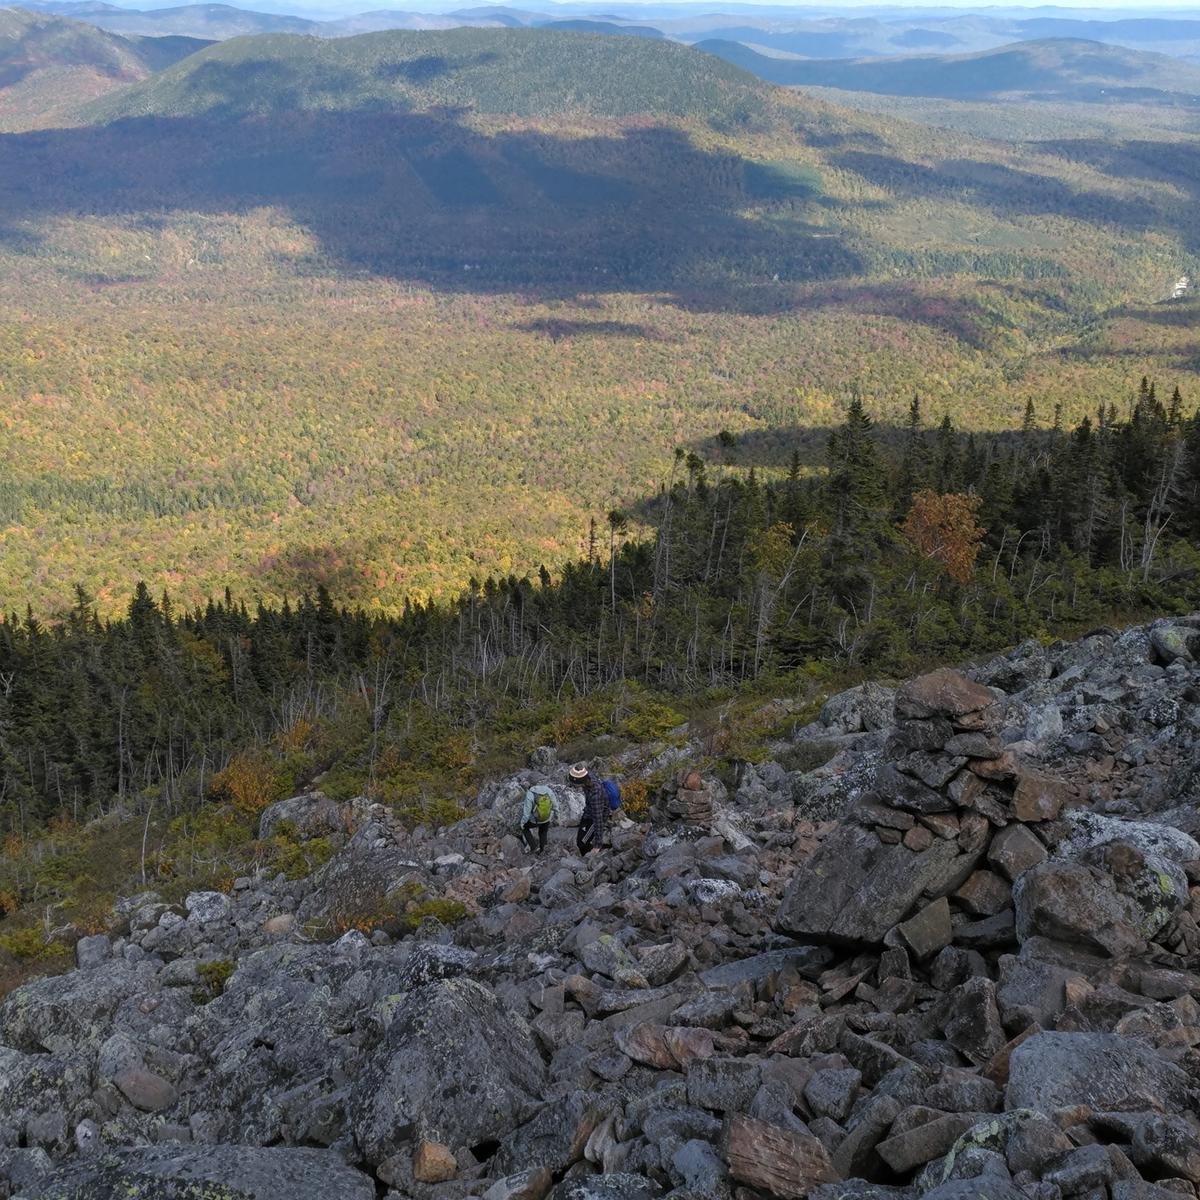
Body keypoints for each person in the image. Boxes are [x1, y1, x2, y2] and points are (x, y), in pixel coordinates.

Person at [568, 763, 607, 855]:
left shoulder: (595, 794)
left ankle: (590, 857)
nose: (574, 786)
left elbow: (598, 820)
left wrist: (598, 844)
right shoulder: (586, 775)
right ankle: (586, 852)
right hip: (588, 812)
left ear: (581, 782)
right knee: (580, 839)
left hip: (595, 815)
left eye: (575, 784)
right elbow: (579, 769)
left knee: (582, 843)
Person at [520, 782, 559, 854]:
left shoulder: (530, 794)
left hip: (535, 820)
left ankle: (534, 847)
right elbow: (555, 805)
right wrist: (557, 816)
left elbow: (527, 813)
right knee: (543, 832)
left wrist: (522, 823)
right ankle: (543, 849)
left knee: (525, 828)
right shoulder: (548, 790)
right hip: (547, 818)